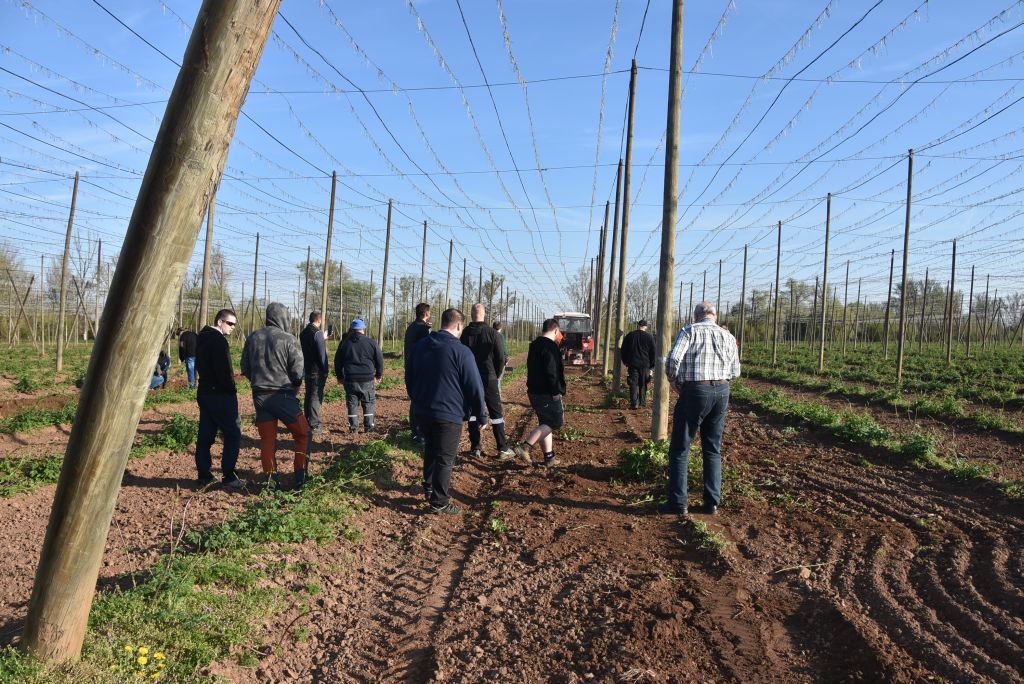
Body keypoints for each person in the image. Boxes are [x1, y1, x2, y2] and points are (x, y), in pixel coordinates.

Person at [659, 302, 741, 516]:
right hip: (722, 390)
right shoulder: (728, 336)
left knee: (680, 448)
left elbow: (673, 360)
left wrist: (674, 381)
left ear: (696, 316)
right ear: (714, 315)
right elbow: (736, 370)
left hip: (696, 390)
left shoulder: (689, 331)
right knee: (712, 448)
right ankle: (712, 502)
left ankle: (678, 502)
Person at [408, 308, 487, 515]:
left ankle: (428, 486)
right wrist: (481, 414)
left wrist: (416, 399)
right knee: (445, 457)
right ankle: (439, 502)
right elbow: (474, 385)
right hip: (448, 413)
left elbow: (410, 375)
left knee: (431, 449)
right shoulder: (461, 351)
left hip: (422, 410)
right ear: (459, 325)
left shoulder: (421, 346)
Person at [241, 302, 310, 491]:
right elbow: (297, 371)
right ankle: (300, 477)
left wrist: (259, 382)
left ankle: (272, 483)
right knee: (303, 433)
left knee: (268, 440)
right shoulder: (289, 339)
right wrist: (294, 387)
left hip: (260, 397)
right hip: (282, 396)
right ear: (283, 318)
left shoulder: (252, 337)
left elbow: (245, 368)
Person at [194, 309, 244, 488]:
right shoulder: (218, 341)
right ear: (220, 321)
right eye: (230, 323)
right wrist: (231, 389)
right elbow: (224, 371)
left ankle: (204, 474)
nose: (232, 328)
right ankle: (229, 475)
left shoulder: (202, 337)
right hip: (220, 394)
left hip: (205, 391)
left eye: (234, 325)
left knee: (206, 433)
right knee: (233, 433)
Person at [511, 319, 565, 467]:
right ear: (555, 331)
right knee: (554, 422)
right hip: (546, 392)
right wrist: (556, 391)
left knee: (545, 422)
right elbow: (551, 371)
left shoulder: (535, 345)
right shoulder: (550, 347)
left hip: (534, 391)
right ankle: (525, 447)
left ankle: (549, 457)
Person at [461, 304, 512, 459]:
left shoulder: (464, 334)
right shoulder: (492, 333)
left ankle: (475, 447)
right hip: (489, 378)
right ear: (484, 315)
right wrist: (495, 375)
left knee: (472, 413)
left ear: (471, 315)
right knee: (496, 413)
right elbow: (501, 358)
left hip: (470, 378)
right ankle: (502, 449)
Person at [334, 318, 384, 432]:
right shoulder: (371, 342)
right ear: (363, 329)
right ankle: (369, 427)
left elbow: (338, 361)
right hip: (367, 378)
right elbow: (379, 360)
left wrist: (340, 376)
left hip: (350, 378)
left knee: (352, 403)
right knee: (368, 402)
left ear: (352, 329)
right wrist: (379, 375)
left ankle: (353, 428)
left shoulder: (345, 343)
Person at [403, 303, 431, 442]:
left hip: (410, 367)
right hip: (420, 369)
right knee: (420, 401)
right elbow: (426, 349)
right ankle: (419, 433)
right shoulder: (423, 329)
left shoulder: (411, 327)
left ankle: (415, 431)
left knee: (414, 400)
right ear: (426, 314)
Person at [299, 312, 328, 433]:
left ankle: (306, 421)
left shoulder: (303, 333)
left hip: (307, 368)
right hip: (317, 370)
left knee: (309, 395)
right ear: (319, 320)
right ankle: (315, 425)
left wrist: (322, 338)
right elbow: (321, 354)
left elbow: (311, 347)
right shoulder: (318, 333)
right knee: (316, 396)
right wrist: (325, 369)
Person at [621, 320, 657, 410]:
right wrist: (652, 365)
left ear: (638, 325)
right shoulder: (649, 337)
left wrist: (625, 361)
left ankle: (634, 403)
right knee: (643, 383)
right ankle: (642, 402)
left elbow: (623, 349)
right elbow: (653, 352)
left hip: (632, 364)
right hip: (645, 364)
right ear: (646, 326)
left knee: (633, 383)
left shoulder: (630, 335)